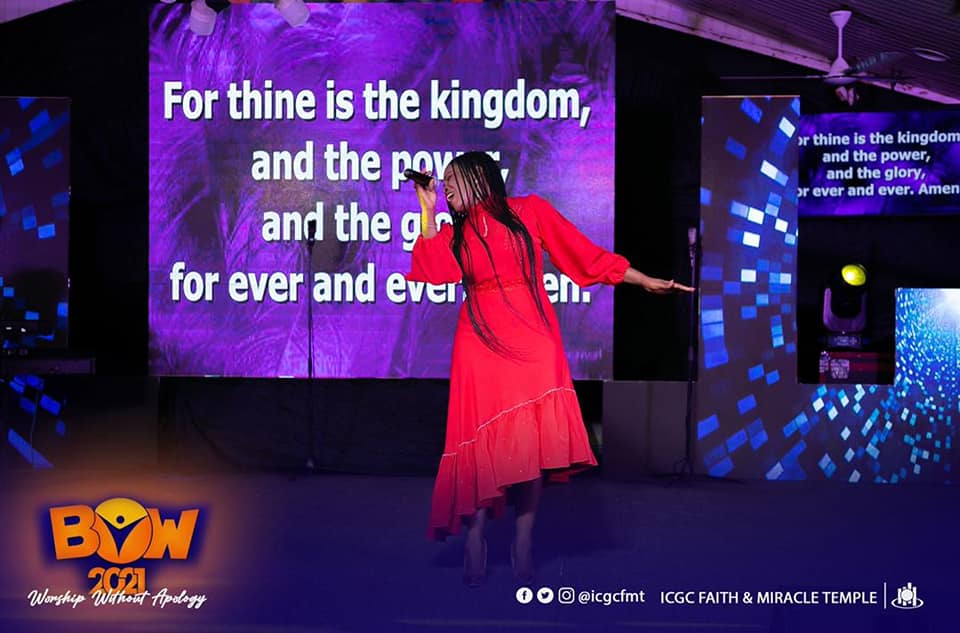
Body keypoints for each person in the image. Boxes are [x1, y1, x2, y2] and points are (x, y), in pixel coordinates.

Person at [406, 151, 693, 587]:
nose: (444, 187)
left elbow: (584, 256)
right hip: (480, 343)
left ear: (479, 177)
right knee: (478, 440)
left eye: (452, 179)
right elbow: (431, 269)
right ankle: (476, 536)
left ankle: (523, 540)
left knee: (531, 444)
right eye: (442, 182)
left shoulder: (529, 211)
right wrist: (427, 211)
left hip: (533, 339)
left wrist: (641, 279)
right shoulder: (456, 232)